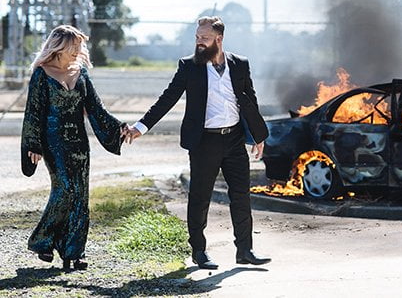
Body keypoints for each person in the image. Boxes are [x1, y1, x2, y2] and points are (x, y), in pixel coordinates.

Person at [125, 16, 271, 269]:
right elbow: (168, 98)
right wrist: (141, 126)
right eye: (197, 37)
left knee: (241, 195)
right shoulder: (189, 66)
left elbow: (250, 99)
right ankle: (199, 251)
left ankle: (245, 250)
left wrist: (258, 136)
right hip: (204, 141)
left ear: (219, 39)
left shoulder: (239, 64)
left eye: (204, 38)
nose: (199, 42)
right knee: (200, 197)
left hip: (234, 139)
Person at [21, 25, 127, 271]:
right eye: (74, 46)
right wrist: (33, 144)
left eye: (80, 46)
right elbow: (33, 112)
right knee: (65, 189)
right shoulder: (41, 74)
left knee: (80, 194)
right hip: (53, 142)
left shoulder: (82, 73)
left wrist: (119, 128)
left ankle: (74, 252)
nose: (79, 51)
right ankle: (43, 240)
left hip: (79, 142)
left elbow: (96, 109)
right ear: (60, 47)